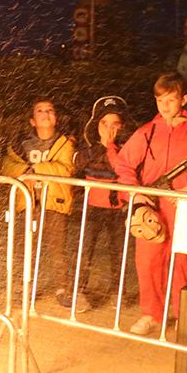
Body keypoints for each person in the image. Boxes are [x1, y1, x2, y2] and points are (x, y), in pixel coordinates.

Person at [113, 72, 187, 336]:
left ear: (184, 99)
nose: (164, 106)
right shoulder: (148, 131)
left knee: (182, 261)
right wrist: (136, 195)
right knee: (148, 261)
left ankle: (182, 313)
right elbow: (124, 164)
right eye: (159, 100)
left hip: (183, 205)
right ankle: (152, 314)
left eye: (170, 100)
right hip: (152, 206)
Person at [0, 99, 76, 309]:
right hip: (29, 203)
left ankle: (62, 288)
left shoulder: (64, 143)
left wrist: (36, 170)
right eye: (40, 111)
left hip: (54, 203)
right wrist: (24, 172)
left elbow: (66, 168)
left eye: (50, 110)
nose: (45, 114)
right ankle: (26, 287)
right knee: (27, 248)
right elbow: (7, 165)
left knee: (57, 248)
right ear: (32, 121)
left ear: (56, 117)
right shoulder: (21, 145)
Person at [69, 95, 129, 311]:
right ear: (97, 125)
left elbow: (121, 168)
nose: (109, 129)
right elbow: (77, 162)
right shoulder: (89, 148)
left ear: (122, 127)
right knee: (85, 249)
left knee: (118, 252)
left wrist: (110, 146)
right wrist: (100, 146)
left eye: (115, 124)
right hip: (92, 208)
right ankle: (78, 291)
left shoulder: (125, 150)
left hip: (117, 209)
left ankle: (117, 291)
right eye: (104, 123)